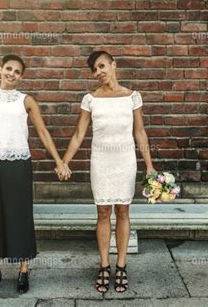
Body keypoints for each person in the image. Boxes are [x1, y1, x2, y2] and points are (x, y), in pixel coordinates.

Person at [60, 51, 156, 293]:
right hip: (101, 160)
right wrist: (64, 162)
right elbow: (79, 134)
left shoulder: (132, 97)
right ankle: (104, 265)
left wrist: (150, 165)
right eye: (94, 69)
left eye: (102, 65)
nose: (98, 71)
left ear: (114, 65)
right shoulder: (90, 99)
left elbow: (140, 133)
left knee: (123, 210)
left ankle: (121, 265)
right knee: (103, 212)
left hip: (125, 160)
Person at [0, 54, 71, 295]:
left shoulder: (26, 101)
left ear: (21, 76)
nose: (12, 74)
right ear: (0, 69)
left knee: (19, 216)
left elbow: (42, 132)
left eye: (17, 71)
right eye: (8, 68)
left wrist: (60, 162)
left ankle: (23, 269)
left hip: (18, 164)